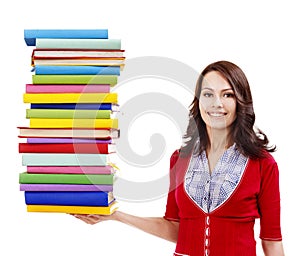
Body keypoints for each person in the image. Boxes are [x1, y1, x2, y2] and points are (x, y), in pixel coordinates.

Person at [73, 60, 285, 256]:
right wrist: (116, 216)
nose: (217, 103)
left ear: (241, 102)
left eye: (227, 95)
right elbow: (174, 227)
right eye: (208, 94)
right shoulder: (180, 160)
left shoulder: (263, 164)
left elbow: (271, 241)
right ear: (198, 100)